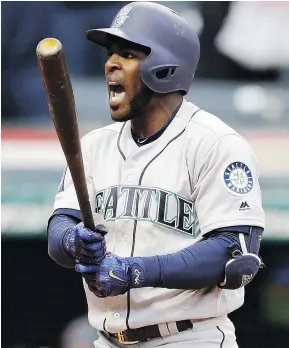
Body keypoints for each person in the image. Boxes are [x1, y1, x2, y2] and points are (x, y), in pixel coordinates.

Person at [47, 2, 265, 347]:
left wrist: (135, 271)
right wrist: (72, 240)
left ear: (166, 68)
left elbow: (233, 253)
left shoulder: (215, 143)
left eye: (128, 54)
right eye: (111, 54)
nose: (111, 64)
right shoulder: (93, 145)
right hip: (107, 338)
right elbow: (58, 230)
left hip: (190, 337)